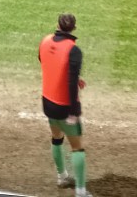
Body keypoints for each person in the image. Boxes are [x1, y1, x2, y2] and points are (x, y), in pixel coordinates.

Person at [39, 14, 90, 197]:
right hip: (64, 106)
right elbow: (70, 81)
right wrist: (74, 111)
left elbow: (46, 61)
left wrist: (73, 78)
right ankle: (81, 191)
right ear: (74, 28)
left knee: (56, 138)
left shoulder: (45, 41)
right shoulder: (73, 50)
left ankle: (62, 177)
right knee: (77, 147)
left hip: (47, 102)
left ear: (58, 25)